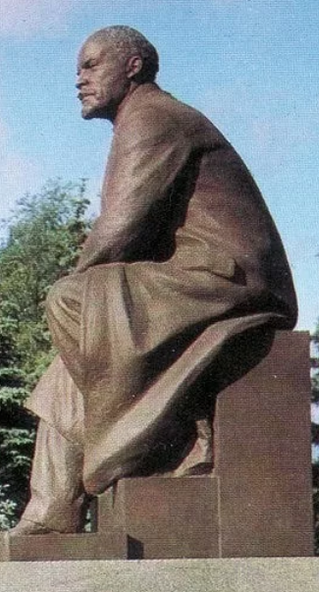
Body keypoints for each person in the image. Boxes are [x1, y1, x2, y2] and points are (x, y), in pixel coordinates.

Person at [15, 25, 297, 534]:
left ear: (133, 67)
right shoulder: (143, 119)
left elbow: (120, 229)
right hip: (195, 276)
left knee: (70, 302)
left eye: (91, 65)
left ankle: (174, 437)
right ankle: (53, 507)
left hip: (229, 281)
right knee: (76, 354)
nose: (78, 79)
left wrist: (82, 281)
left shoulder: (152, 118)